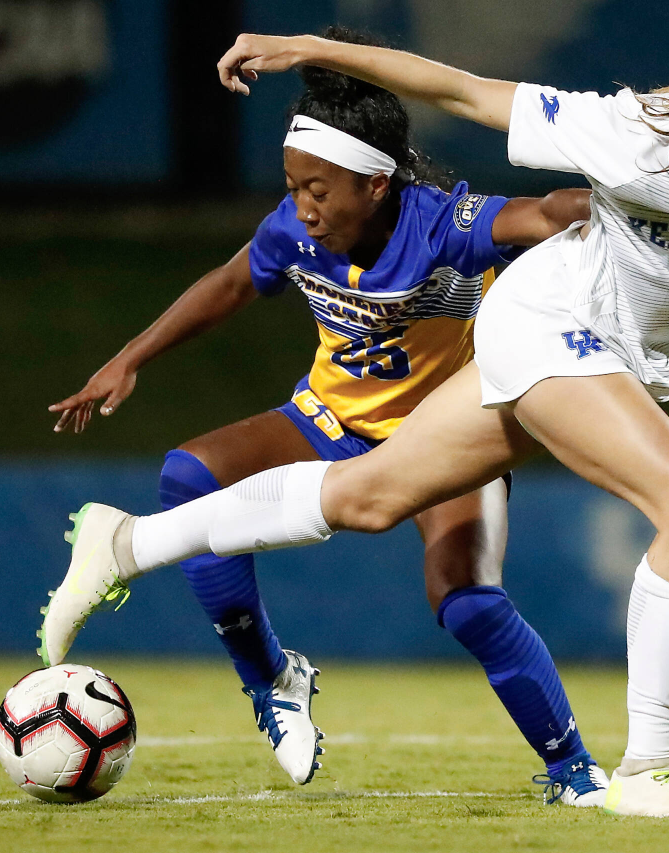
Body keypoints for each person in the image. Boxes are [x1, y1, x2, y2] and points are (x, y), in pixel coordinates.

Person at [44, 32, 669, 818]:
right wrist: (310, 47)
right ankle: (648, 769)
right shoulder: (630, 135)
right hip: (551, 325)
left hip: (608, 354)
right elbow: (461, 90)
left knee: (369, 494)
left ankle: (125, 540)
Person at [40, 28, 608, 806]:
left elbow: (543, 212)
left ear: (375, 185)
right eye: (291, 183)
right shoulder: (293, 228)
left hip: (442, 438)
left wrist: (624, 207)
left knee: (468, 601)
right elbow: (232, 283)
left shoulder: (442, 225)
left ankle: (573, 768)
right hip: (327, 417)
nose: (301, 205)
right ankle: (274, 679)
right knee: (189, 476)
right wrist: (132, 355)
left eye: (317, 188)